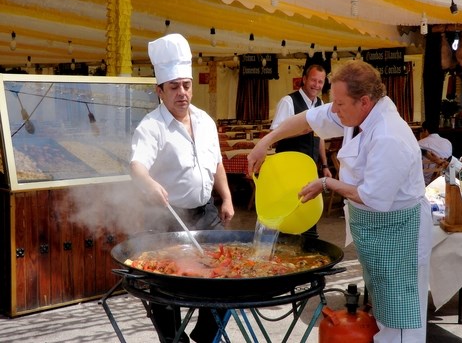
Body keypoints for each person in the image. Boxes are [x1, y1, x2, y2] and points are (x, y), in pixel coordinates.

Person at [248, 60, 433, 343]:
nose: (333, 110)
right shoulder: (354, 112)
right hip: (376, 232)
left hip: (399, 232)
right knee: (383, 310)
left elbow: (373, 198)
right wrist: (267, 141)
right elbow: (307, 120)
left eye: (339, 104)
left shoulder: (388, 136)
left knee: (401, 321)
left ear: (365, 101)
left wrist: (327, 182)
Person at [130, 33, 234, 343]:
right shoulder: (151, 126)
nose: (182, 93)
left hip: (206, 213)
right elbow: (136, 166)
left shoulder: (205, 121)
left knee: (226, 276)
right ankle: (174, 340)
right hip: (166, 217)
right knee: (164, 285)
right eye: (174, 87)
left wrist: (226, 197)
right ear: (159, 90)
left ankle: (204, 336)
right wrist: (149, 184)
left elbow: (216, 162)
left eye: (186, 85)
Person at [271, 64, 332, 239]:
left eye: (320, 82)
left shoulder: (320, 104)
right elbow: (275, 135)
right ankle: (284, 250)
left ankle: (310, 244)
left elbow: (319, 136)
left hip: (310, 168)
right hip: (289, 169)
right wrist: (302, 130)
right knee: (288, 212)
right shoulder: (288, 101)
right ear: (304, 79)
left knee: (308, 209)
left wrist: (325, 164)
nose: (317, 85)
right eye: (313, 80)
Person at [418, 121, 453, 185]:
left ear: (426, 130)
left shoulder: (420, 143)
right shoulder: (448, 142)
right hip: (445, 177)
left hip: (427, 180)